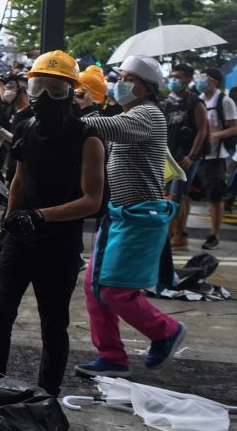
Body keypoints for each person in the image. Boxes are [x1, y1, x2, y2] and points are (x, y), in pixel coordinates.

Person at [0, 52, 105, 395]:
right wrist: (7, 228)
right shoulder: (25, 127)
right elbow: (19, 181)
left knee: (53, 326)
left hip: (59, 246)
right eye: (38, 87)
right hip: (20, 240)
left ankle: (47, 397)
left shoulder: (88, 138)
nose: (45, 97)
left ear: (72, 92)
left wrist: (41, 215)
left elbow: (92, 200)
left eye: (57, 89)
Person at [76, 54, 186, 376]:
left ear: (143, 87)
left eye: (125, 79)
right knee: (95, 286)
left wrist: (80, 112)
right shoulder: (133, 112)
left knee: (116, 291)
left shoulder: (148, 114)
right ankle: (111, 356)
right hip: (120, 215)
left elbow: (105, 126)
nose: (119, 84)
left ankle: (165, 330)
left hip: (139, 217)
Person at [162, 63, 208, 248]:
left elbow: (202, 130)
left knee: (177, 195)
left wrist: (192, 156)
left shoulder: (194, 102)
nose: (173, 80)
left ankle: (177, 234)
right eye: (172, 76)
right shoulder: (168, 102)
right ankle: (172, 231)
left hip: (185, 158)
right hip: (168, 155)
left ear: (188, 80)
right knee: (169, 195)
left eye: (178, 77)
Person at [194, 66, 237, 250]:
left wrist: (216, 135)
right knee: (187, 193)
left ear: (215, 82)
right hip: (197, 154)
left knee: (215, 196)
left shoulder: (225, 101)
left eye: (204, 78)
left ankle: (214, 235)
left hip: (216, 156)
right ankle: (179, 232)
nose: (200, 81)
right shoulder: (198, 100)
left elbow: (234, 127)